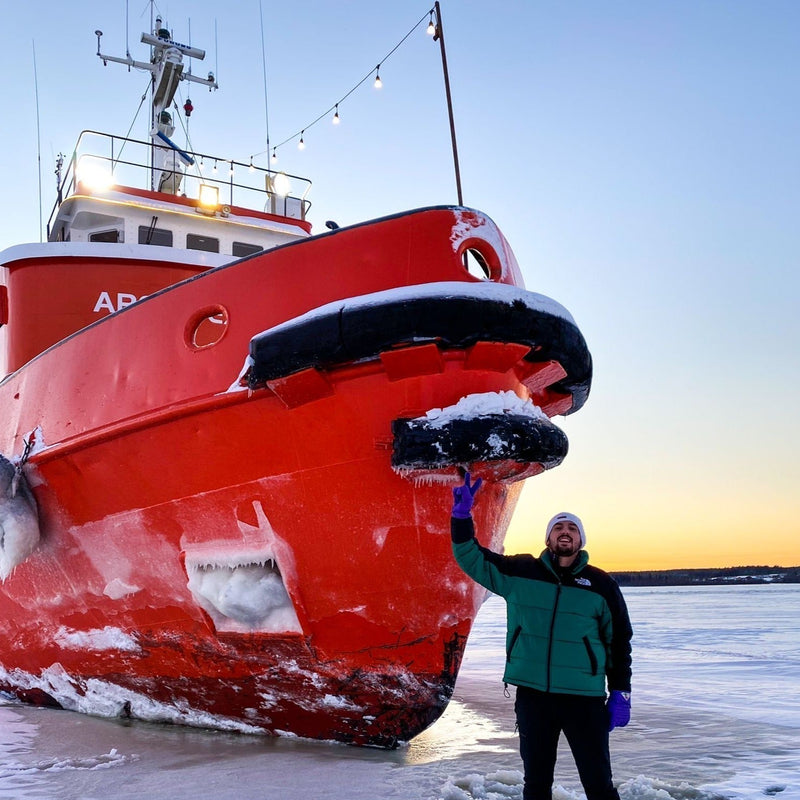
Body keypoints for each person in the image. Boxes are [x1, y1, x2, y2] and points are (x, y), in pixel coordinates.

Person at [450, 473, 632, 800]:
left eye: (572, 528)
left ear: (581, 540)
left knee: (599, 785)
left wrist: (621, 690)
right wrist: (461, 518)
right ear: (548, 538)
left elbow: (619, 641)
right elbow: (472, 558)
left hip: (584, 699)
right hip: (534, 697)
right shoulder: (521, 572)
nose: (565, 533)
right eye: (558, 528)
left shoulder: (602, 586)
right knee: (536, 784)